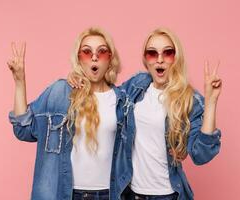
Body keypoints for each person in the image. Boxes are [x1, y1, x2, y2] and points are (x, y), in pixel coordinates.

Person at [68, 27, 222, 200]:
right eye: (152, 53)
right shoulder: (135, 87)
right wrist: (78, 76)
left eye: (168, 53)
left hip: (169, 194)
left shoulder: (188, 98)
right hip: (131, 194)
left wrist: (211, 102)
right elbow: (105, 97)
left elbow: (201, 154)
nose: (160, 60)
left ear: (176, 57)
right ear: (145, 59)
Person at [8, 27, 127, 200]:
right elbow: (23, 129)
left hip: (110, 195)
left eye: (101, 52)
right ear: (79, 59)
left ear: (110, 59)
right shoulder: (61, 92)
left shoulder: (122, 100)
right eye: (87, 52)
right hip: (67, 194)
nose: (94, 57)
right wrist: (19, 81)